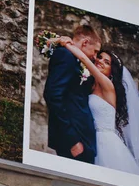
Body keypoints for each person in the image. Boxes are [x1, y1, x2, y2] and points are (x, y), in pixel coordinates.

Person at [55, 37, 139, 176]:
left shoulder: (108, 87)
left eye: (107, 62)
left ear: (112, 71)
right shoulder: (91, 85)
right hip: (91, 138)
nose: (100, 62)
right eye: (100, 57)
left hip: (106, 143)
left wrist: (66, 44)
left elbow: (85, 60)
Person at [43, 25, 102, 164]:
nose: (95, 56)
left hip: (82, 135)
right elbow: (53, 96)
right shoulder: (66, 55)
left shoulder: (75, 59)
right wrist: (72, 139)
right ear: (85, 42)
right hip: (75, 139)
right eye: (95, 51)